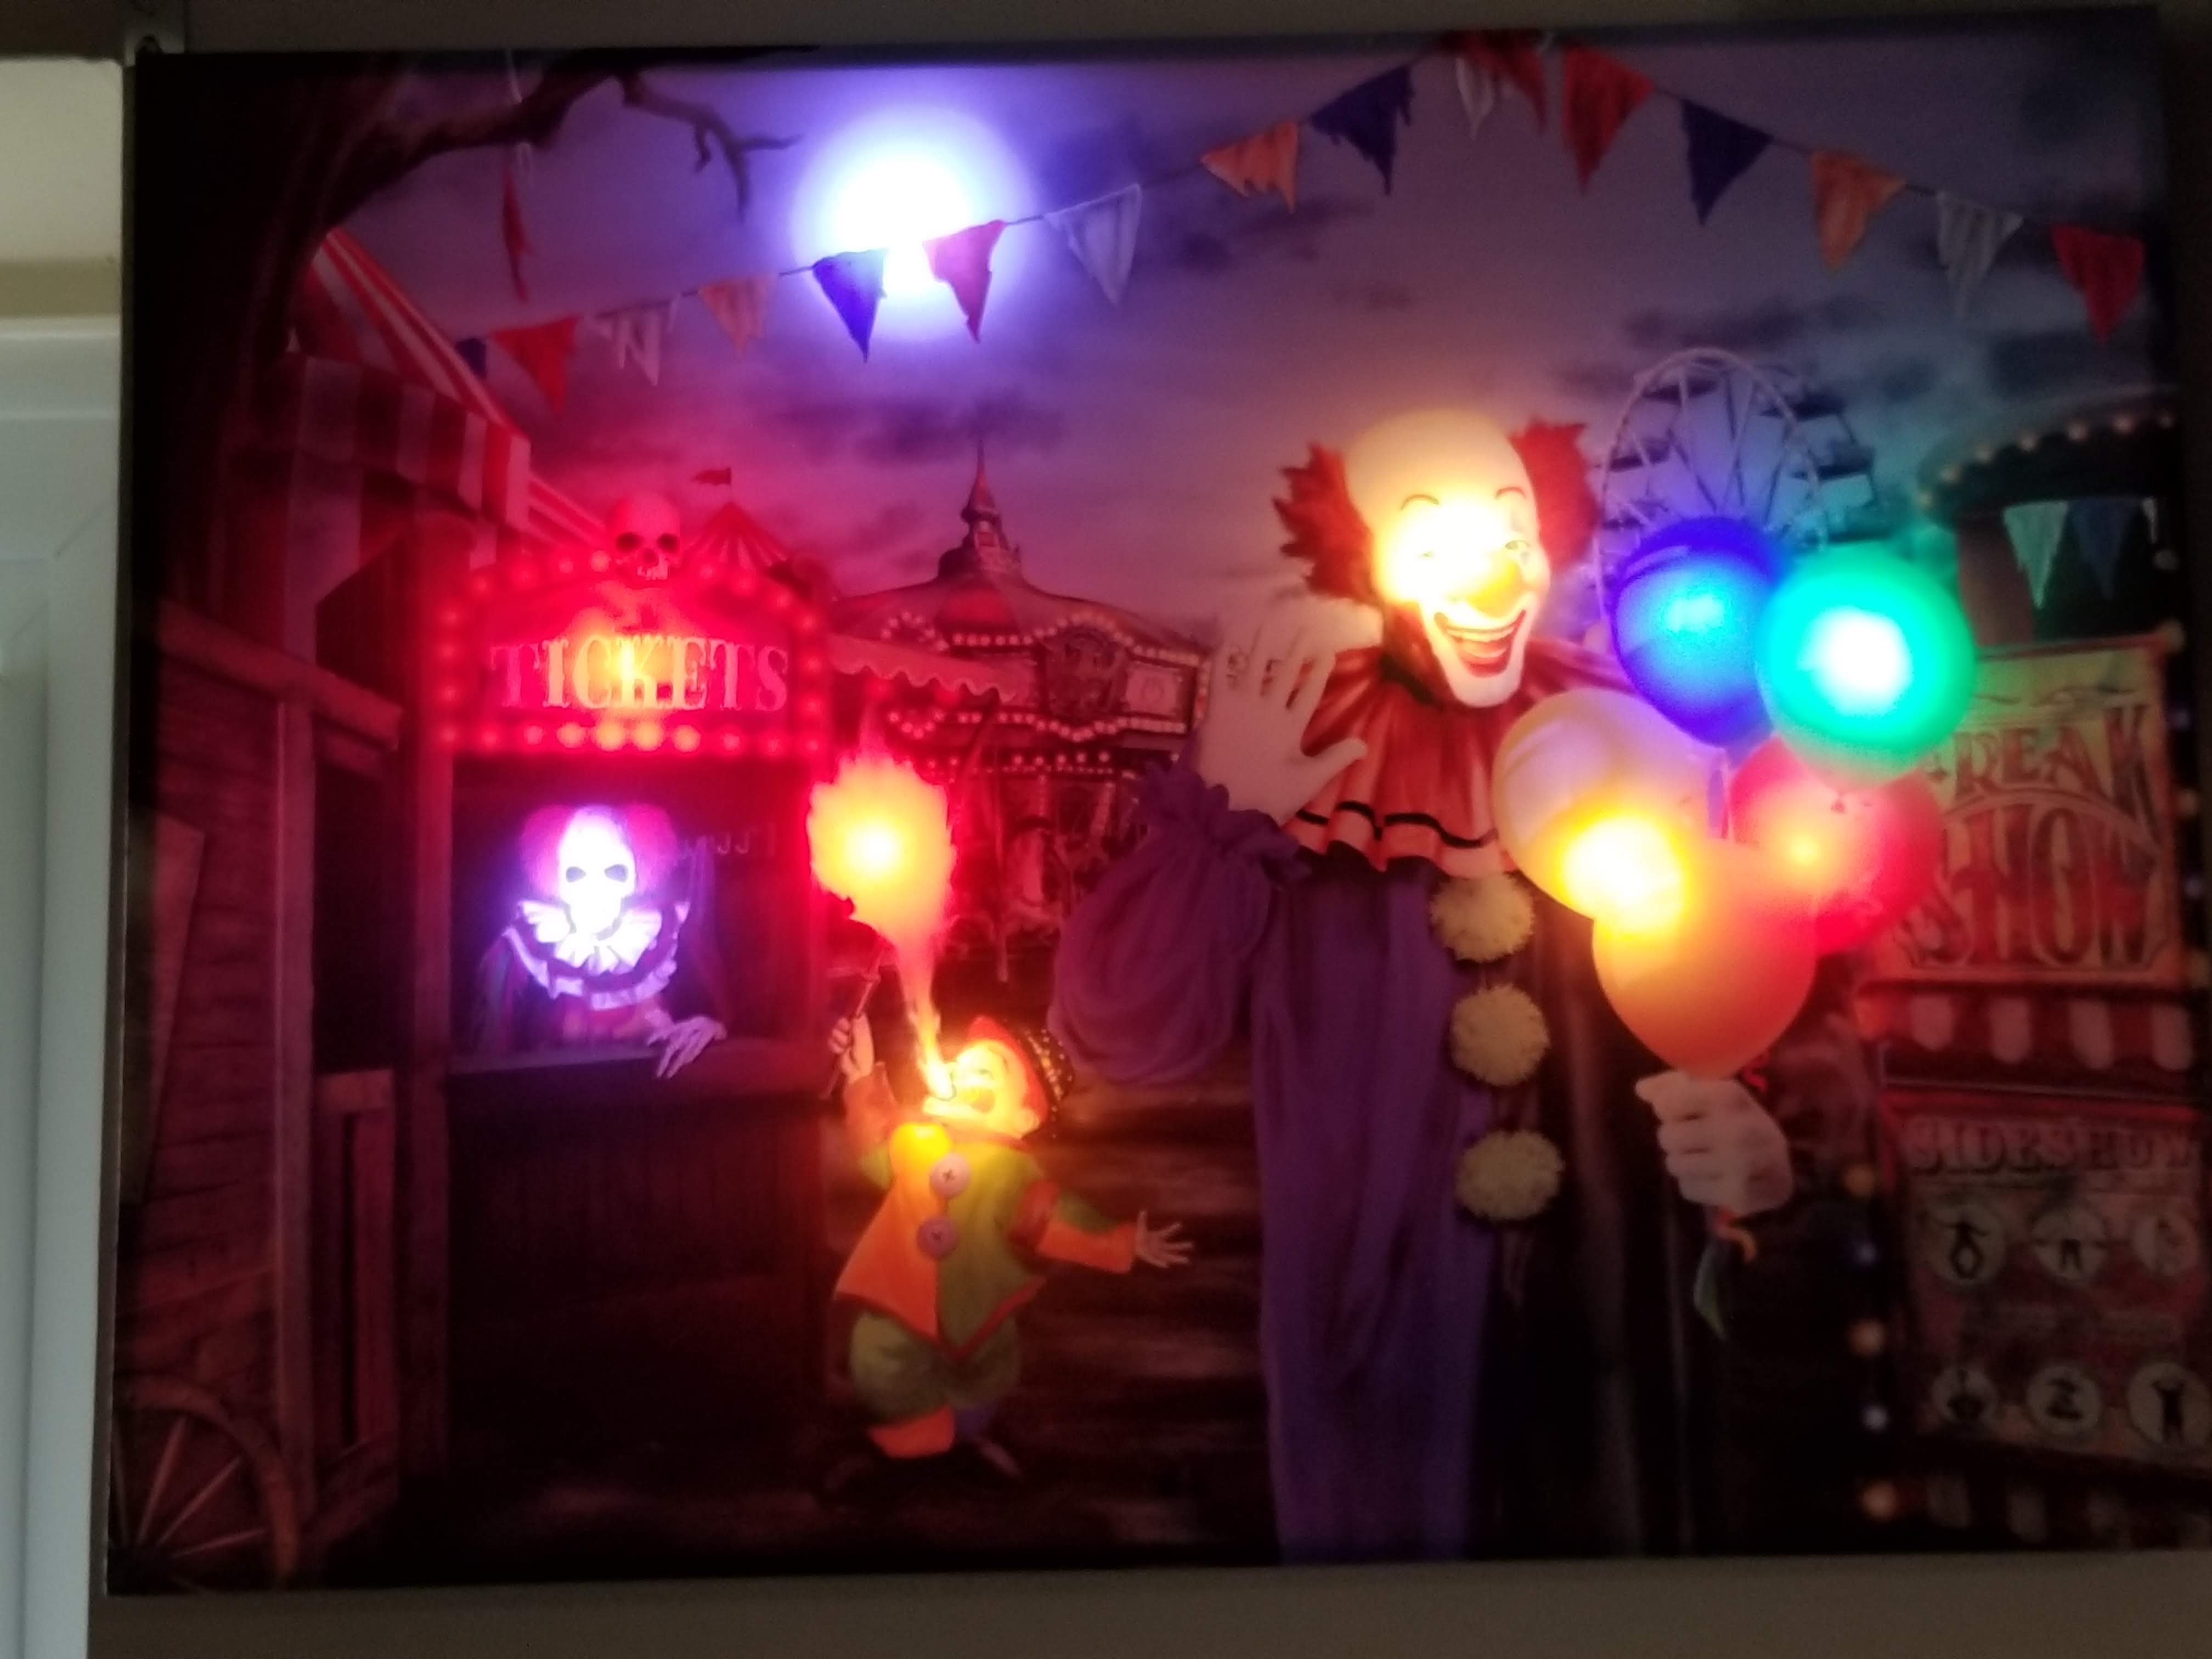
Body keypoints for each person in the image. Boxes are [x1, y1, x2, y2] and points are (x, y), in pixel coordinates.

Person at [1052, 409, 1875, 1559]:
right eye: (1429, 541)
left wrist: (1770, 1129)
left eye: (1509, 530)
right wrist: (1221, 817)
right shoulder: (1294, 736)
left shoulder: (1632, 720)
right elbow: (1117, 1027)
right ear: (1358, 562)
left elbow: (1774, 962)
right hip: (1378, 1320)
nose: (1486, 574)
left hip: (1617, 1310)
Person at [827, 1009, 1193, 1477]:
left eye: (986, 1071)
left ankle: (966, 1435)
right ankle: (914, 1447)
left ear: (1024, 1117)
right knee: (880, 1359)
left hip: (976, 1310)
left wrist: (1121, 1241)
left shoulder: (1009, 1174)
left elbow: (1051, 1219)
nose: (957, 1071)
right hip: (901, 1301)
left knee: (987, 1370)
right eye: (961, 1062)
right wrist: (861, 1076)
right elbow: (879, 1148)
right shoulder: (919, 1143)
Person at [469, 803, 729, 1077]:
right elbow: (487, 1062)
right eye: (576, 873)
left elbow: (716, 1011)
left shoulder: (670, 936)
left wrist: (711, 1027)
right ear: (554, 876)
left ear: (639, 871)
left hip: (653, 1096)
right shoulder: (519, 950)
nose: (596, 890)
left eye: (614, 872)